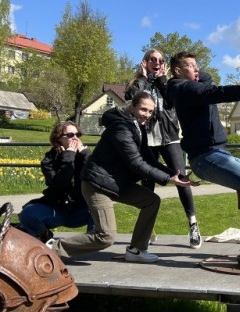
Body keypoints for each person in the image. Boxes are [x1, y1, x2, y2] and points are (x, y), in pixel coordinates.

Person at [48, 91, 191, 264]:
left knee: (151, 201)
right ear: (132, 107)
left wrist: (179, 176)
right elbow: (136, 163)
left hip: (116, 183)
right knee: (105, 237)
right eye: (143, 110)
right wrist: (167, 180)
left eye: (151, 111)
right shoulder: (120, 128)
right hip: (97, 184)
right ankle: (50, 249)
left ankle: (136, 250)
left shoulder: (138, 127)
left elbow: (149, 160)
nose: (147, 115)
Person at [166, 52, 240, 191]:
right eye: (190, 66)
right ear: (178, 71)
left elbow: (207, 78)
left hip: (217, 153)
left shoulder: (195, 87)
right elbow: (221, 92)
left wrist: (193, 70)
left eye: (197, 65)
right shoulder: (185, 89)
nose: (197, 69)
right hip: (204, 158)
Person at [126, 48, 201, 248]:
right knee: (147, 185)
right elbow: (131, 99)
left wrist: (162, 80)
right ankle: (147, 228)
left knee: (182, 179)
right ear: (145, 62)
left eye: (160, 60)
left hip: (169, 138)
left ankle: (193, 224)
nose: (157, 63)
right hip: (146, 140)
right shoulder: (137, 83)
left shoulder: (169, 84)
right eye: (153, 59)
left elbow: (172, 100)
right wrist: (142, 79)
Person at [19, 121, 94, 241]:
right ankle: (43, 235)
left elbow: (96, 174)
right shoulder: (49, 161)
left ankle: (92, 240)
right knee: (28, 213)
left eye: (77, 135)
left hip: (81, 209)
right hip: (57, 209)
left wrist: (85, 153)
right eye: (70, 135)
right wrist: (68, 155)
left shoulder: (84, 155)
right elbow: (60, 184)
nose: (75, 138)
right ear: (58, 139)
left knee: (100, 203)